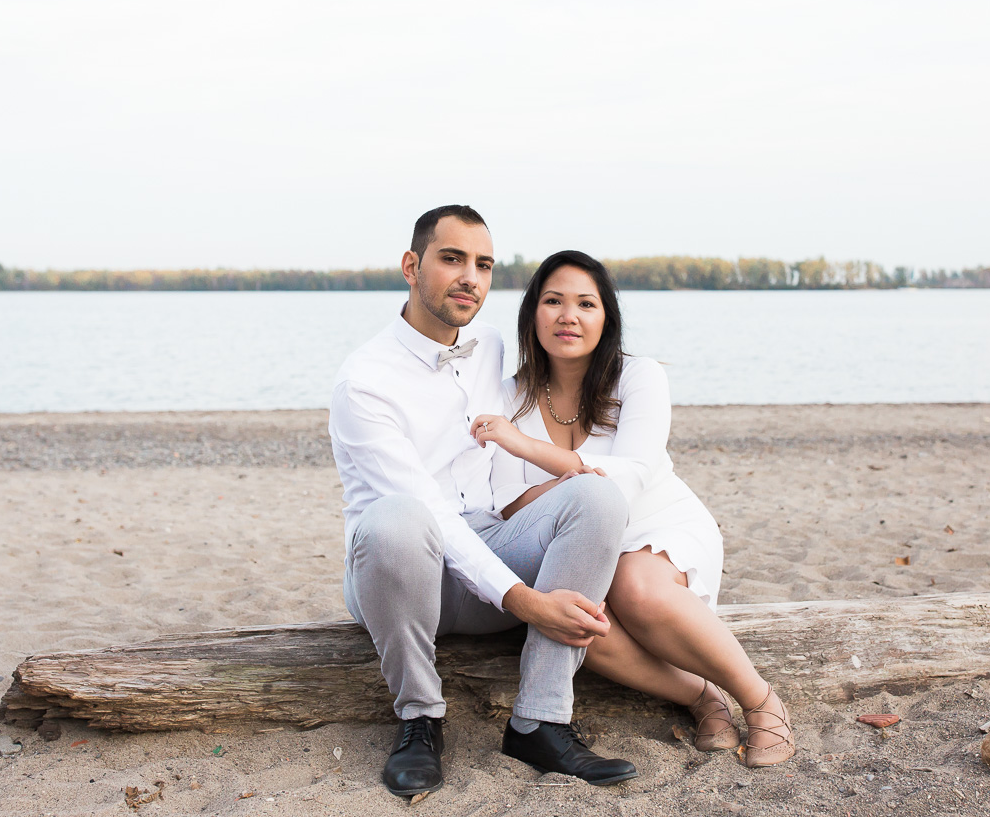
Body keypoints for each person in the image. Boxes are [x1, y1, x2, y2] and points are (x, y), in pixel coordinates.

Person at [329, 207, 640, 798]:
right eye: (452, 259)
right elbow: (429, 513)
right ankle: (419, 719)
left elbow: (563, 374)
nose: (470, 277)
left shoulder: (491, 345)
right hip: (401, 573)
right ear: (411, 266)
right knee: (399, 518)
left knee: (596, 495)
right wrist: (527, 602)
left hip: (488, 546)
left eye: (483, 264)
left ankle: (540, 722)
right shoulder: (363, 381)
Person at [471, 250, 796, 768]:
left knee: (634, 586)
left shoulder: (639, 377)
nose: (568, 316)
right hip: (576, 542)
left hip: (658, 521)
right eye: (553, 301)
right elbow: (510, 504)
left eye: (586, 304)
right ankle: (699, 695)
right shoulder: (510, 396)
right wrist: (573, 491)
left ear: (607, 318)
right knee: (580, 624)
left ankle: (760, 701)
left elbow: (632, 475)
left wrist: (527, 449)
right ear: (532, 313)